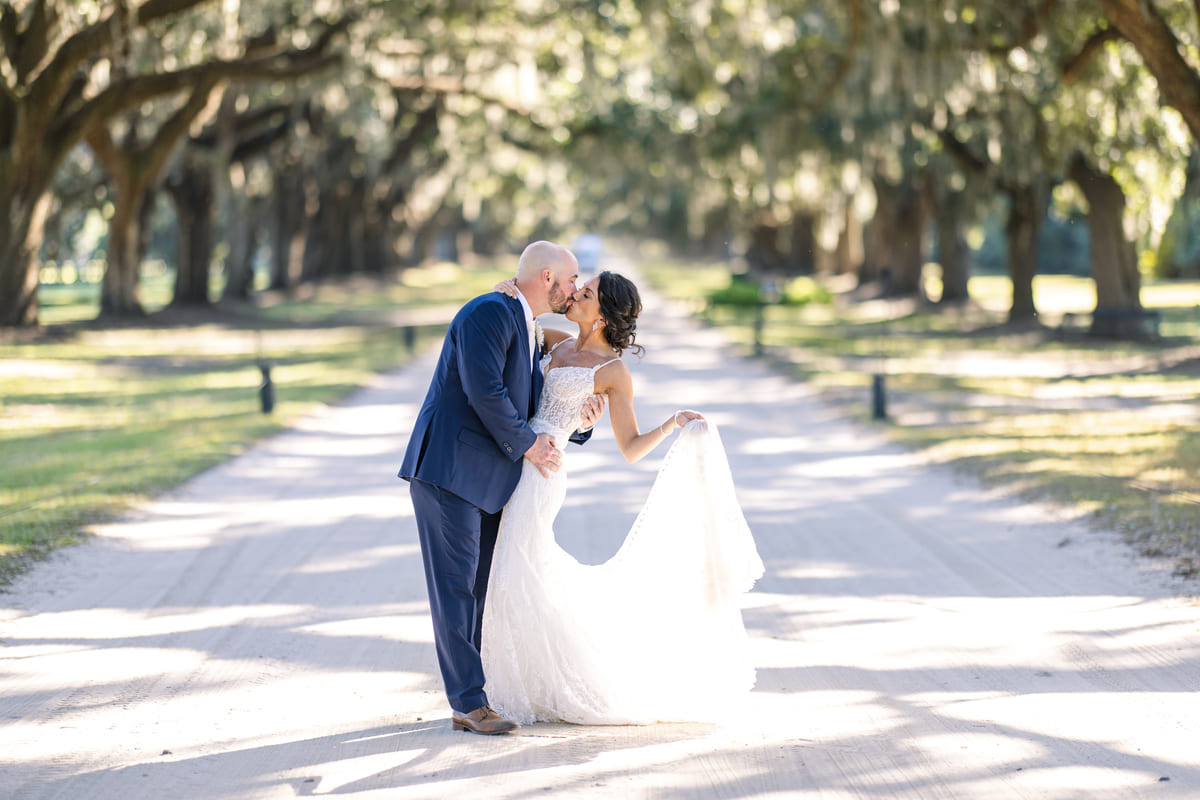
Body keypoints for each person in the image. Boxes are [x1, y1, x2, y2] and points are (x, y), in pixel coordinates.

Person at [483, 270, 763, 725]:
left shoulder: (612, 372)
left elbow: (631, 448)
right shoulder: (553, 339)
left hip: (543, 472)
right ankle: (521, 678)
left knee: (515, 566)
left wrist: (672, 423)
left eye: (586, 293)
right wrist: (507, 290)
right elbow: (516, 323)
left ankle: (525, 684)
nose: (574, 294)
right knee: (515, 568)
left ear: (603, 315)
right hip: (514, 457)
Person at [398, 241, 604, 735]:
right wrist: (531, 446)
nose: (576, 290)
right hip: (449, 471)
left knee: (477, 589)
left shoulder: (525, 324)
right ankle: (469, 703)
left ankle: (471, 697)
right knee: (455, 589)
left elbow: (531, 404)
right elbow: (483, 390)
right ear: (548, 276)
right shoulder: (487, 312)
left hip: (489, 479)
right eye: (573, 280)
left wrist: (576, 424)